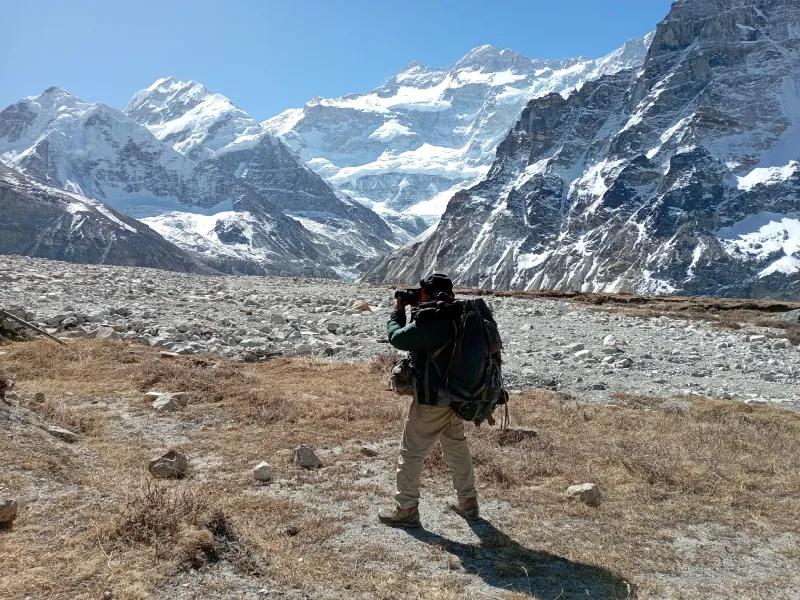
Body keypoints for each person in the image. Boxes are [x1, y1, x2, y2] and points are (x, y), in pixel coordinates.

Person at [378, 273, 479, 528]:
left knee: (411, 453)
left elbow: (398, 338)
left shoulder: (432, 319)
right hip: (457, 397)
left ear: (429, 293)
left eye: (420, 292)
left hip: (433, 400)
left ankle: (407, 509)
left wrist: (397, 314)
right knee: (457, 447)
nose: (416, 296)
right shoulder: (459, 313)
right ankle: (469, 503)